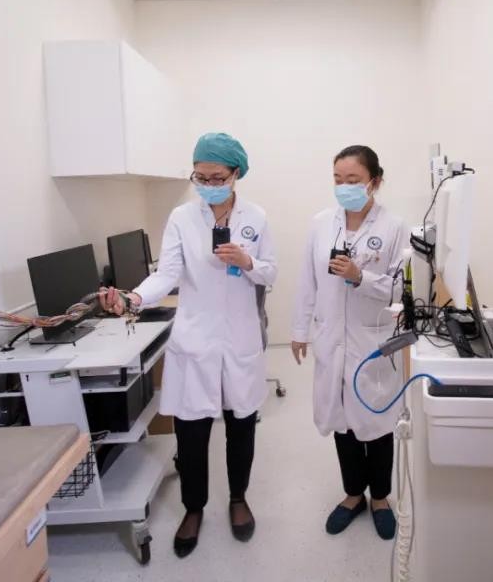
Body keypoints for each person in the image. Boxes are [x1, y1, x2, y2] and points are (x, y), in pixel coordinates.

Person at [100, 132, 277, 558]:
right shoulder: (182, 217)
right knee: (192, 431)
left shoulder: (256, 217)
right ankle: (193, 508)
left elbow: (270, 273)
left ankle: (238, 498)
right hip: (195, 338)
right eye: (200, 176)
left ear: (236, 174)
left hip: (240, 339)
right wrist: (134, 297)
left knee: (241, 425)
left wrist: (248, 262)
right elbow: (167, 273)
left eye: (217, 177)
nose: (209, 184)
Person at [291, 145, 408, 540]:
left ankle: (381, 498)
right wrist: (299, 330)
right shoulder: (321, 224)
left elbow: (401, 291)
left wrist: (361, 277)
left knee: (377, 421)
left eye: (353, 180)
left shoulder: (395, 227)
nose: (344, 187)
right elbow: (307, 281)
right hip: (331, 339)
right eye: (338, 179)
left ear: (375, 181)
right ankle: (353, 494)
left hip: (371, 338)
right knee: (341, 420)